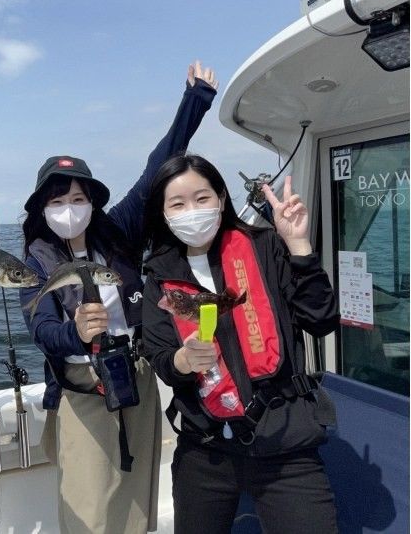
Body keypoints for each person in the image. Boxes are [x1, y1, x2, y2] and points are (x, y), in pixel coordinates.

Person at [19, 61, 218, 534]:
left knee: (136, 495)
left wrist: (195, 100)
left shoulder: (120, 230)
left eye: (78, 197)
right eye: (57, 200)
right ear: (42, 208)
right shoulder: (33, 260)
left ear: (93, 200)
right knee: (89, 506)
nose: (70, 209)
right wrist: (73, 332)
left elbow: (158, 167)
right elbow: (41, 327)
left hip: (139, 376)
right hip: (84, 390)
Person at [140, 153, 339, 534]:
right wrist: (183, 360)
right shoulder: (159, 276)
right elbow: (162, 358)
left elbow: (321, 320)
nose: (192, 211)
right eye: (177, 203)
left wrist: (299, 246)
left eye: (202, 198)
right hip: (205, 450)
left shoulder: (264, 246)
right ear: (163, 214)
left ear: (221, 198)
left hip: (286, 444)